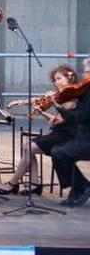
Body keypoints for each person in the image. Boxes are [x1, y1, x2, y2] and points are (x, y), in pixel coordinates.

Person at [0, 64, 79, 196]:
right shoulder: (60, 95)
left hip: (68, 136)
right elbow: (43, 104)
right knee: (27, 146)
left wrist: (47, 109)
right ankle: (34, 184)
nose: (56, 82)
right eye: (55, 80)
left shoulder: (72, 97)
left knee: (29, 147)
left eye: (59, 79)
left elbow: (59, 120)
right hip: (58, 133)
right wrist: (23, 103)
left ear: (69, 78)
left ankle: (13, 183)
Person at [50, 56, 90, 207]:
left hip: (87, 138)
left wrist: (60, 108)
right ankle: (80, 187)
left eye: (87, 72)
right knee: (58, 151)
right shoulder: (86, 89)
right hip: (83, 136)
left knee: (59, 153)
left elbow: (82, 117)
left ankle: (81, 187)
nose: (85, 76)